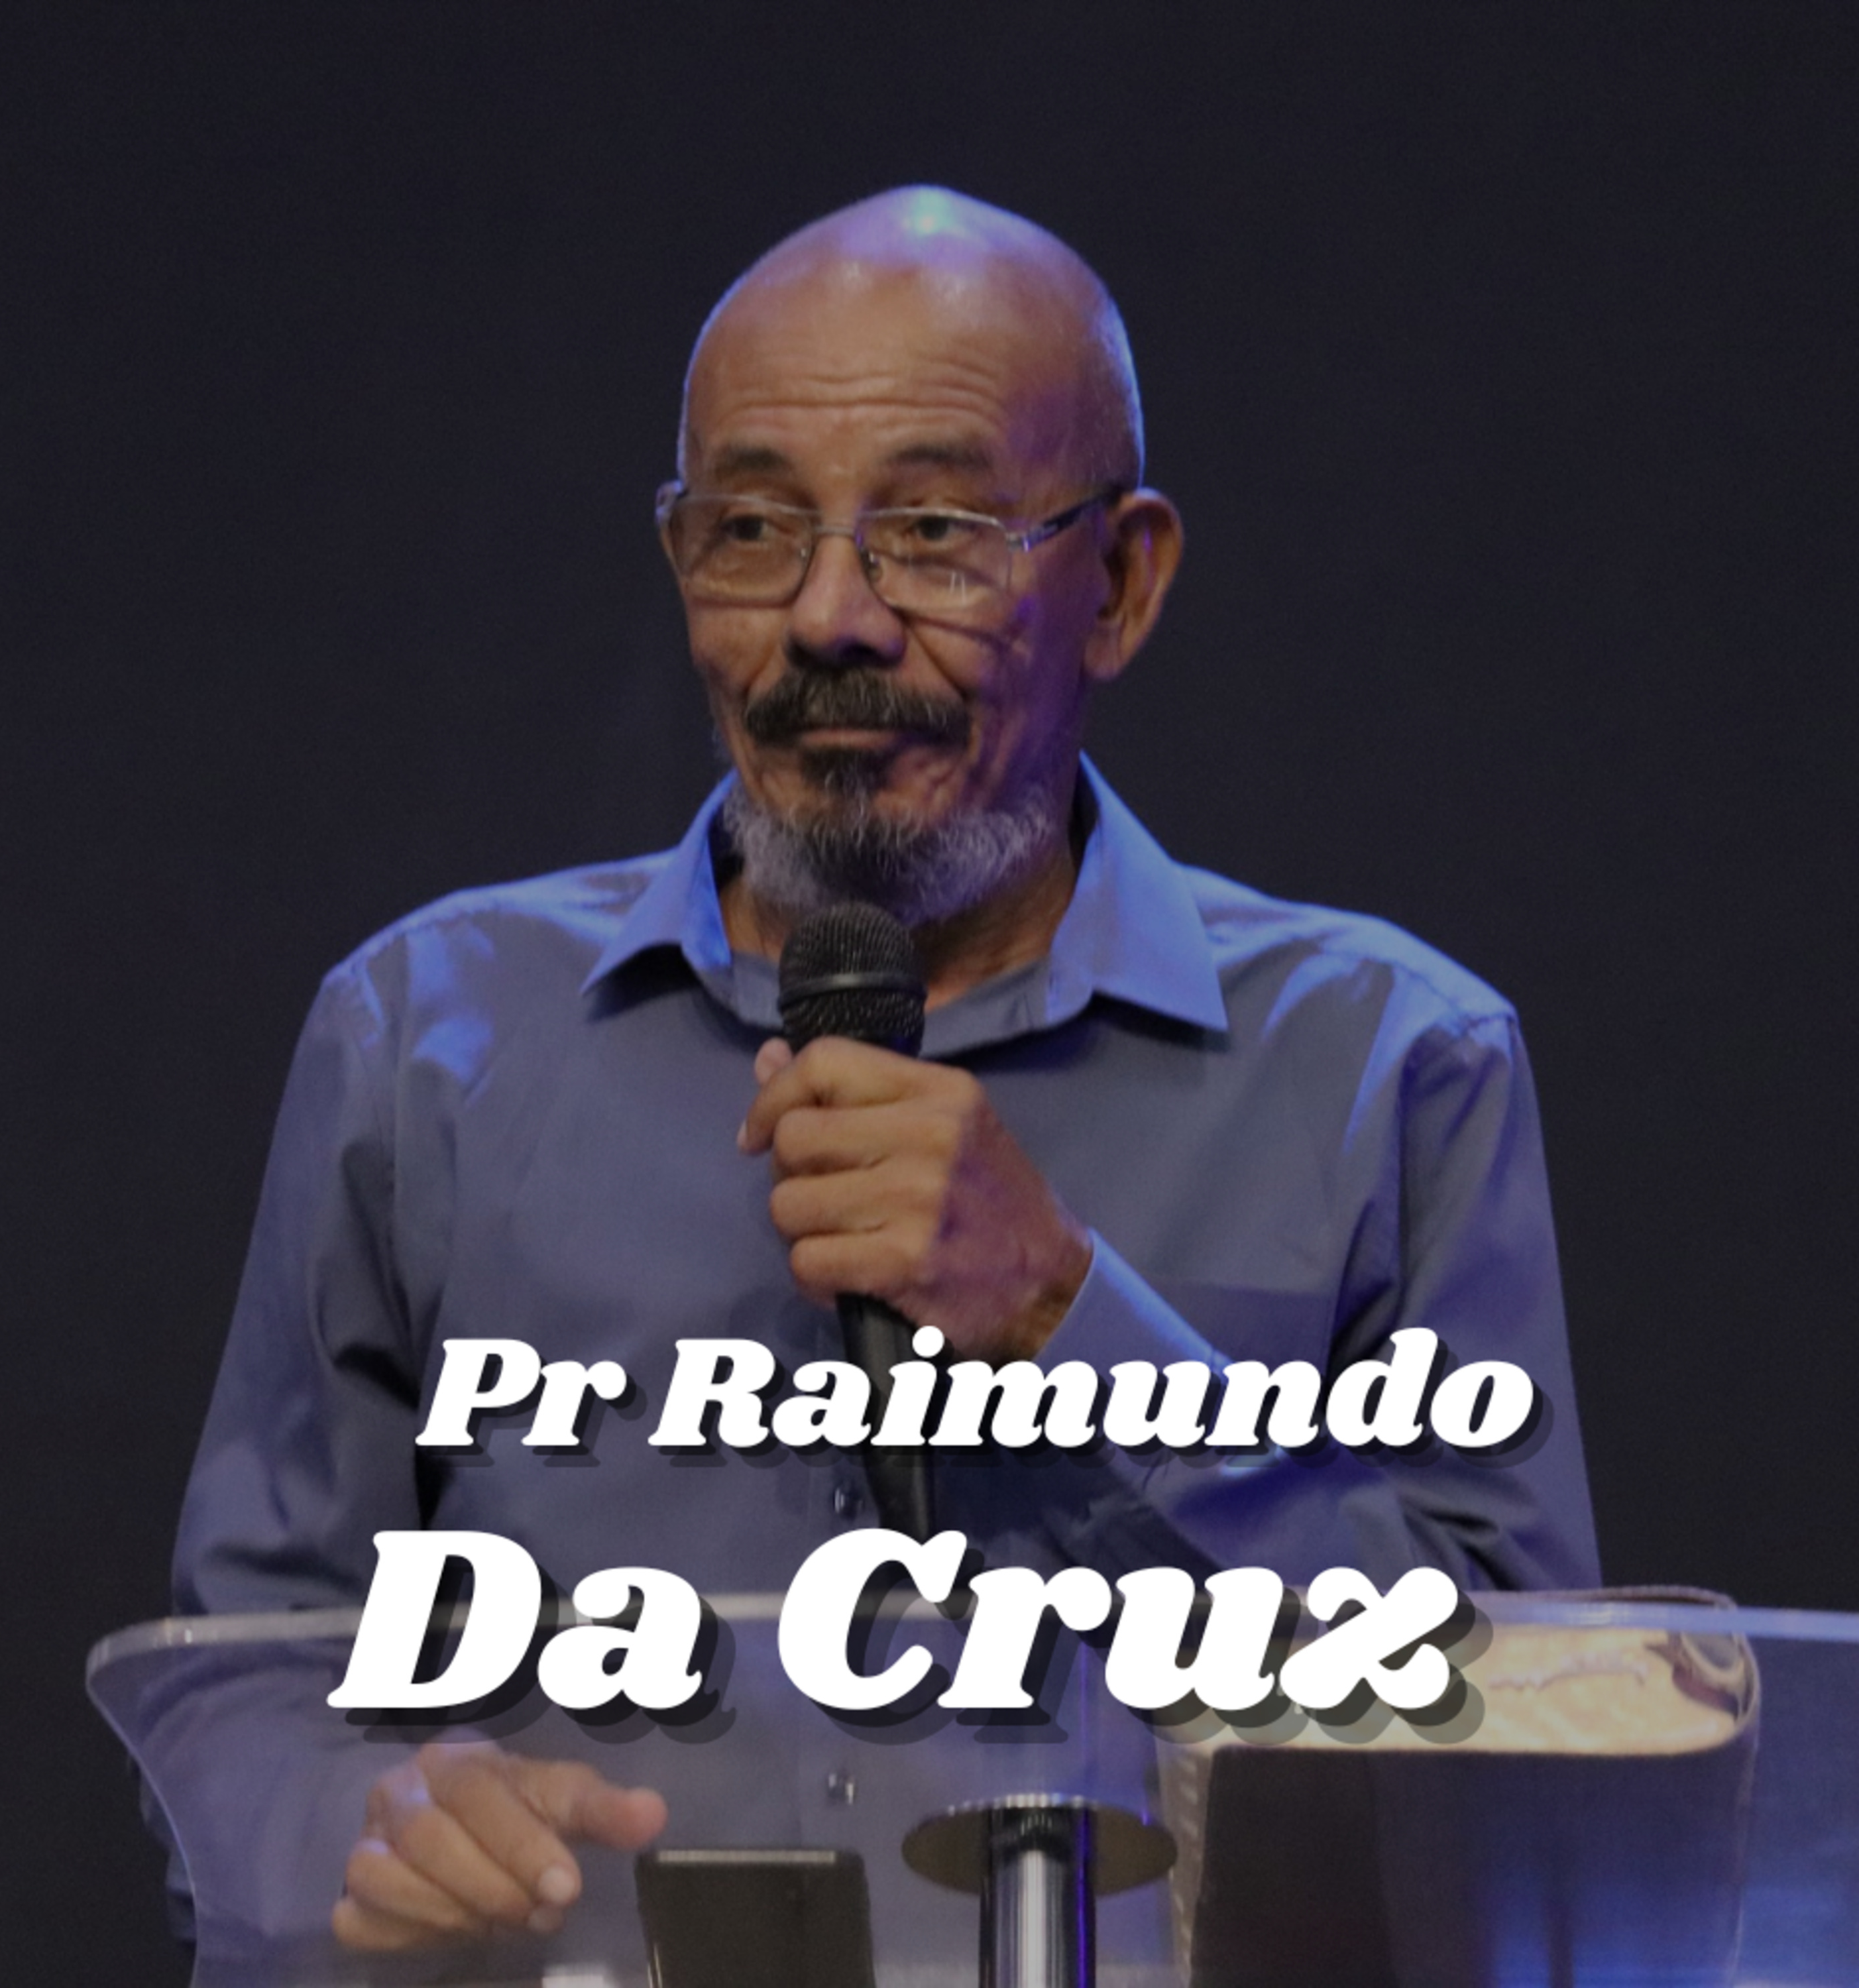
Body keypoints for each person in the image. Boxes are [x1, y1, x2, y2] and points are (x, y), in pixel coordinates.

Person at [172, 187, 1599, 1952]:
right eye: (753, 529)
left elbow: (1537, 1767)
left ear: (1122, 583)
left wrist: (1076, 1322)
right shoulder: (422, 1043)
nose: (830, 616)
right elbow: (237, 1687)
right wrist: (355, 1818)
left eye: (933, 531)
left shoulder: (1390, 1067)